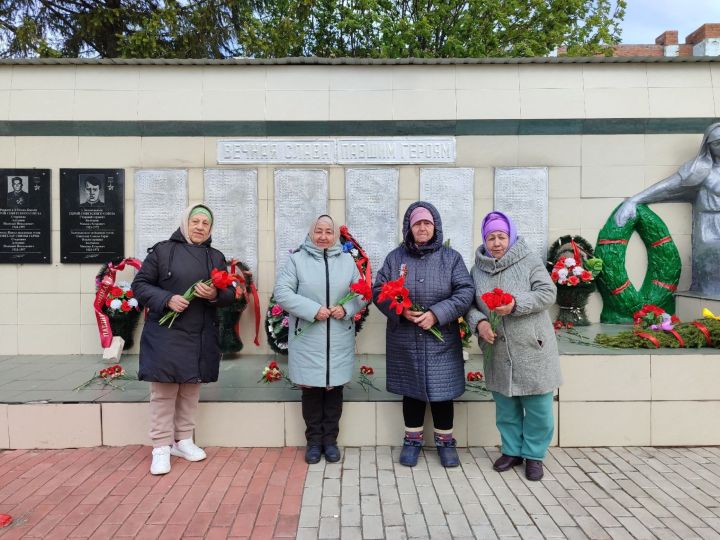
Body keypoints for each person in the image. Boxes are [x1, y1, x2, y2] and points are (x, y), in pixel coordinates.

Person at [132, 204, 235, 475]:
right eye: (195, 221)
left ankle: (184, 440)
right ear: (184, 223)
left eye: (205, 223)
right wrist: (167, 299)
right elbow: (140, 285)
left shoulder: (216, 256)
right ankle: (161, 446)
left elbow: (229, 295)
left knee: (191, 388)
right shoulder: (162, 251)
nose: (200, 227)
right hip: (166, 333)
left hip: (200, 334)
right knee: (164, 391)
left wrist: (213, 295)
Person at [372, 201, 474, 468]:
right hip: (406, 338)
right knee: (412, 392)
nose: (422, 228)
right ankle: (413, 440)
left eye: (427, 223)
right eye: (417, 223)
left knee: (443, 393)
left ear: (435, 226)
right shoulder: (395, 258)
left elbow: (465, 292)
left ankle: (445, 442)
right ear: (409, 227)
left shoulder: (451, 258)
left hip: (441, 337)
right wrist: (401, 310)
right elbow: (379, 290)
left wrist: (437, 314)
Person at [465, 211, 562, 481]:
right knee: (506, 407)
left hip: (532, 346)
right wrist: (480, 323)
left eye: (501, 236)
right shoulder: (477, 269)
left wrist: (515, 305)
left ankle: (534, 455)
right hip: (496, 348)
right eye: (491, 237)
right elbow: (470, 305)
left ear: (511, 237)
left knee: (538, 409)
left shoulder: (529, 261)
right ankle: (511, 450)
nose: (496, 243)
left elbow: (547, 293)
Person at [273, 215, 366, 464]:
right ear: (311, 233)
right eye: (319, 231)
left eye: (328, 232)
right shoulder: (297, 259)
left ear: (335, 235)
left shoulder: (347, 261)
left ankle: (330, 441)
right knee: (312, 391)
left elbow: (363, 293)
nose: (323, 236)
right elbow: (282, 292)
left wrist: (345, 309)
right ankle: (314, 442)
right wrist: (312, 309)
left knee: (334, 390)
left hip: (338, 337)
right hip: (308, 338)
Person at [615, 122, 720, 295]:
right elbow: (669, 187)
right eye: (717, 143)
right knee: (714, 259)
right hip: (710, 226)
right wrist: (634, 201)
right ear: (708, 146)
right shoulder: (700, 169)